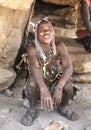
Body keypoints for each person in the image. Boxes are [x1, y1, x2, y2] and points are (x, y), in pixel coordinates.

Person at [21, 18, 79, 126]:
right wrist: (43, 89)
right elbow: (34, 68)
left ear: (53, 32)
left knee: (68, 85)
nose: (46, 32)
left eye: (49, 29)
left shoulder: (60, 46)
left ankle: (63, 107)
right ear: (36, 33)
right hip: (39, 84)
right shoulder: (32, 48)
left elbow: (69, 67)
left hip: (55, 81)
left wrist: (59, 87)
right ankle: (32, 110)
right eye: (42, 30)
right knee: (32, 82)